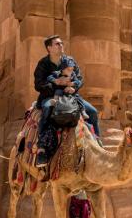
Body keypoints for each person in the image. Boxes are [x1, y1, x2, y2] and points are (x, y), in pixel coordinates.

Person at [33, 35, 100, 167]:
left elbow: (79, 78)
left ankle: (97, 143)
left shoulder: (70, 60)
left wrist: (73, 86)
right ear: (49, 48)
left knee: (92, 111)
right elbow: (38, 84)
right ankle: (42, 149)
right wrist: (56, 83)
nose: (61, 45)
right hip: (51, 96)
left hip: (71, 96)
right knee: (47, 109)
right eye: (57, 44)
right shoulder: (43, 64)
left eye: (61, 43)